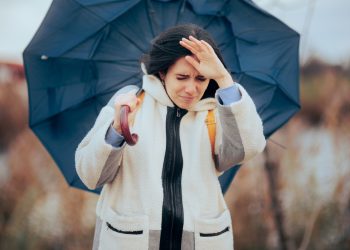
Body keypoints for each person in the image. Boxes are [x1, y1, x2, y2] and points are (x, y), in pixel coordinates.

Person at [75, 24, 266, 250]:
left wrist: (224, 79)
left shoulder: (219, 112)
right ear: (163, 73)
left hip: (201, 241)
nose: (191, 89)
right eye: (182, 77)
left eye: (201, 79)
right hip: (131, 240)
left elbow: (249, 148)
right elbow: (91, 175)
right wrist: (117, 129)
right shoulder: (129, 103)